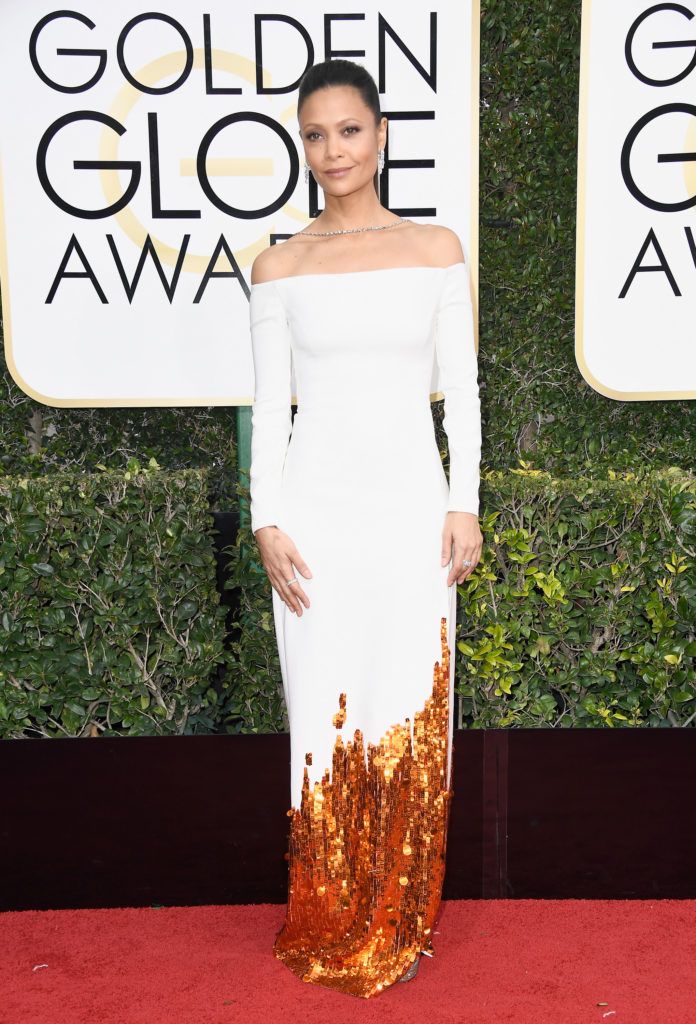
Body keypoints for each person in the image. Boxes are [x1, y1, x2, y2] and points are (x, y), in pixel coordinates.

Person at [248, 57, 483, 998]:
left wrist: (464, 501)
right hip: (314, 517)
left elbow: (461, 390)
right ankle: (333, 907)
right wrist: (265, 520)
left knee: (408, 707)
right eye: (315, 134)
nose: (332, 149)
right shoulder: (279, 265)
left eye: (348, 129)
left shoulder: (437, 250)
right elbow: (271, 411)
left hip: (410, 514)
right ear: (303, 149)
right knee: (322, 710)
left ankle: (399, 913)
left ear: (381, 136)